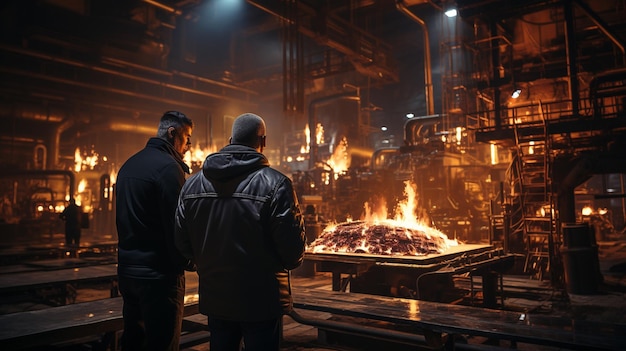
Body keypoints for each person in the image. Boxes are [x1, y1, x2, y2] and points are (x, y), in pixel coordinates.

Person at [175, 112, 306, 351]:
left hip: (216, 298)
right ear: (263, 142)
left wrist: (206, 265)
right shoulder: (276, 184)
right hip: (262, 302)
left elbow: (182, 243)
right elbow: (292, 253)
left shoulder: (192, 185)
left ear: (230, 139)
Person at [115, 110, 195, 351]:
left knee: (133, 340)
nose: (189, 145)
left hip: (128, 272)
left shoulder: (129, 165)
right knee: (162, 343)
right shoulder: (169, 169)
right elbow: (177, 225)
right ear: (172, 133)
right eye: (187, 137)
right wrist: (189, 261)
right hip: (159, 278)